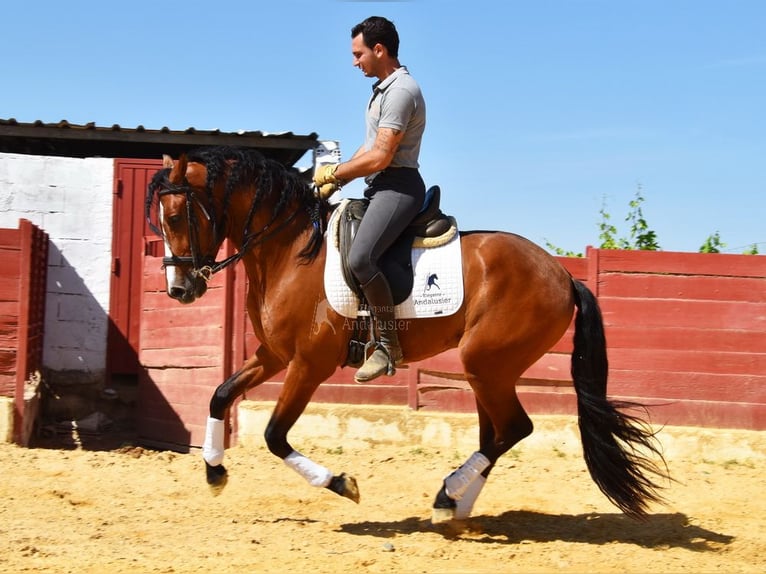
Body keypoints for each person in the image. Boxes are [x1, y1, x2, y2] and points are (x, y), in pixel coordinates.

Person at [313, 16, 427, 383]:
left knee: (361, 256)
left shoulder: (400, 91)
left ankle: (388, 346)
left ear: (379, 50)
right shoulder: (381, 90)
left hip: (398, 187)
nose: (354, 62)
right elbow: (369, 146)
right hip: (379, 187)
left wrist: (336, 173)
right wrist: (335, 180)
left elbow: (380, 157)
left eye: (358, 54)